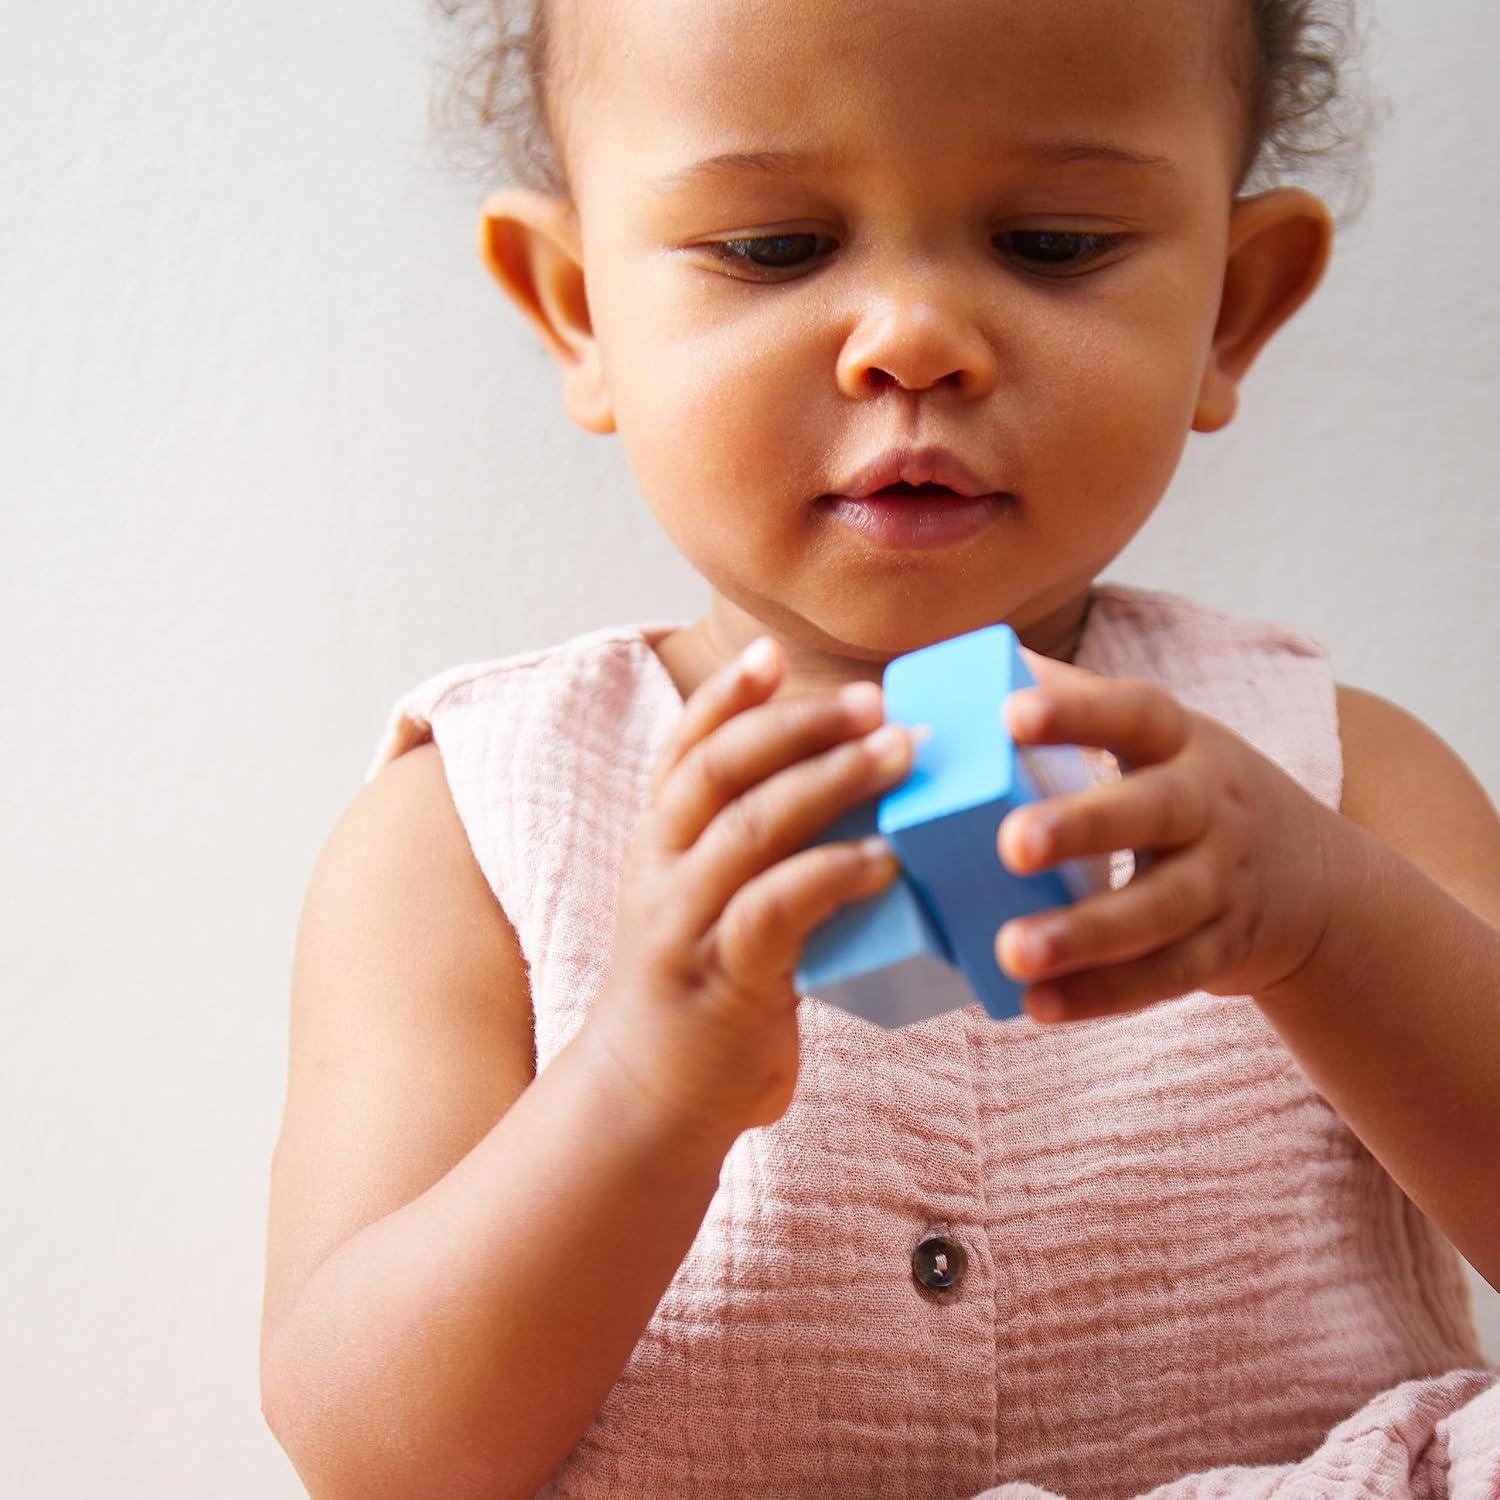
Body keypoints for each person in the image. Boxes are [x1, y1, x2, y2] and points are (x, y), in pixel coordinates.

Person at [259, 2, 1500, 1495]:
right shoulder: (471, 823)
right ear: (581, 306)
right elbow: (375, 1456)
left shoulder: (1337, 777)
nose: (914, 338)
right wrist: (646, 1084)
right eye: (776, 247)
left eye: (1052, 242)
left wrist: (1328, 929)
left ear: (1231, 309)